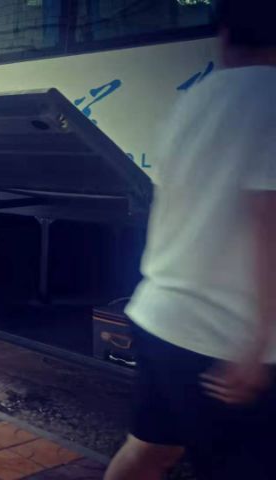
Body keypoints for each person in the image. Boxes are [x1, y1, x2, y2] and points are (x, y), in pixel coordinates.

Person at [104, 2, 276, 479]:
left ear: (223, 34)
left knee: (151, 449)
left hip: (162, 317)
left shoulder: (194, 99)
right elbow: (268, 225)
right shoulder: (271, 100)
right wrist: (256, 344)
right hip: (226, 336)